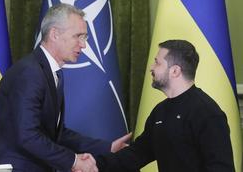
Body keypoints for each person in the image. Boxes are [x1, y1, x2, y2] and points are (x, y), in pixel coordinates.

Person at [0, 3, 131, 172]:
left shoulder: (51, 73)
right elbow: (27, 135)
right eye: (78, 36)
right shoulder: (29, 73)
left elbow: (56, 133)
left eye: (84, 38)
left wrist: (106, 147)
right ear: (54, 34)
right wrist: (73, 161)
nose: (84, 45)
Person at [97, 40, 235, 172]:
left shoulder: (207, 113)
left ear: (175, 71)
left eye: (157, 63)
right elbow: (137, 153)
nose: (151, 67)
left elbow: (221, 168)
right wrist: (93, 165)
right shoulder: (160, 111)